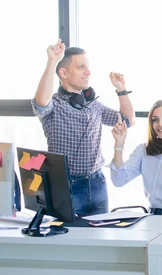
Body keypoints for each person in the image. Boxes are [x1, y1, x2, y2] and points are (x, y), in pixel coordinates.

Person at [32, 40, 135, 215]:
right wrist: (52, 62)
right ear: (63, 72)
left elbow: (127, 120)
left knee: (98, 238)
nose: (88, 72)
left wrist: (121, 90)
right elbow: (41, 103)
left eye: (87, 67)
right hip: (67, 185)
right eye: (81, 67)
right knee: (69, 239)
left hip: (97, 183)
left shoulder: (93, 104)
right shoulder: (54, 104)